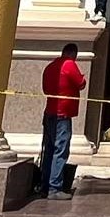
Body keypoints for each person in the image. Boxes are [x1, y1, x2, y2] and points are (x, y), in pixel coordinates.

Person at [36, 42, 86, 200]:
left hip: (49, 113)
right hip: (62, 114)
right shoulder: (69, 64)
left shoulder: (50, 66)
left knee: (49, 149)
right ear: (73, 54)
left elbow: (45, 89)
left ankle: (44, 186)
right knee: (60, 150)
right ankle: (55, 187)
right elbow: (81, 83)